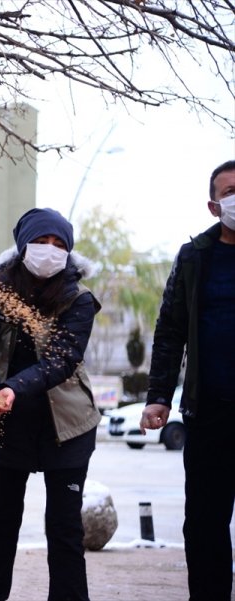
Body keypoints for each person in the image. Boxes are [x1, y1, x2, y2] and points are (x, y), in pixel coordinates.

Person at [0, 207, 101, 601]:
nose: (49, 250)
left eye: (59, 244)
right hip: (7, 425)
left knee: (65, 529)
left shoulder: (79, 298)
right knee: (2, 523)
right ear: (24, 245)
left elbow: (62, 359)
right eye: (41, 241)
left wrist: (13, 389)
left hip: (68, 426)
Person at [140, 159, 235, 601]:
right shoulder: (195, 256)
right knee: (204, 524)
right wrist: (158, 395)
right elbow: (170, 330)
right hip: (210, 412)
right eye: (230, 192)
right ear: (214, 206)